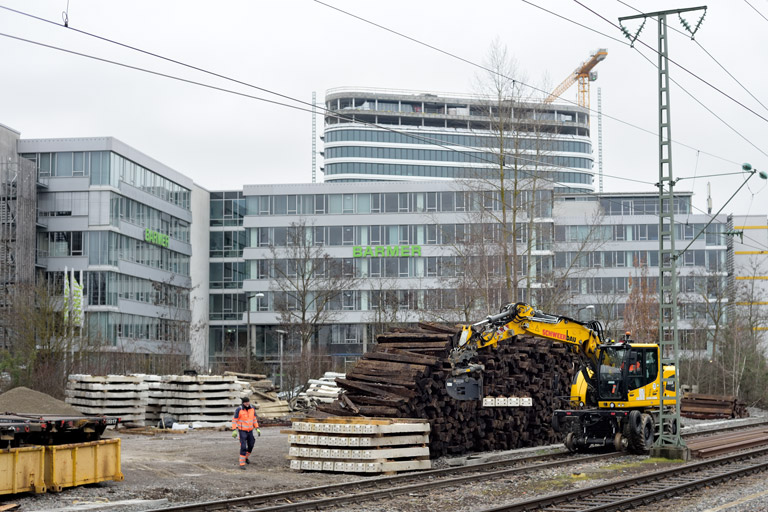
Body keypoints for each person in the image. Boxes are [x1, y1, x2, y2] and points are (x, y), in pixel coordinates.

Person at [231, 396, 260, 469]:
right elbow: (234, 420)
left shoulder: (252, 408)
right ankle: (242, 464)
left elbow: (254, 419)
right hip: (242, 431)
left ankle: (246, 458)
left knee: (251, 445)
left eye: (248, 402)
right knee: (243, 447)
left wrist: (257, 428)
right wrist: (234, 429)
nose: (247, 403)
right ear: (243, 403)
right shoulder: (239, 409)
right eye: (245, 402)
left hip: (250, 431)